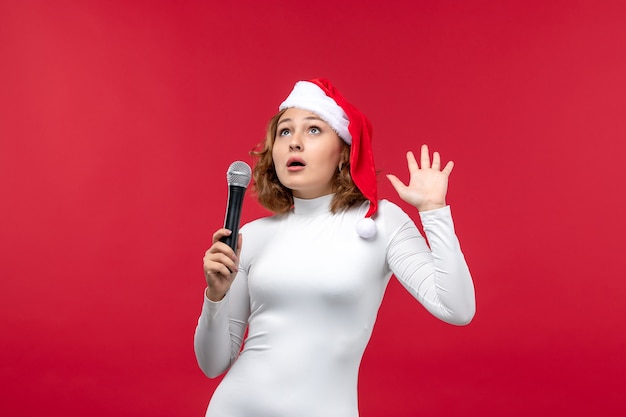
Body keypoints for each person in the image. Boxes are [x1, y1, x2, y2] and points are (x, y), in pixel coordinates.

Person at [194, 78, 476, 417]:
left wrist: (434, 211)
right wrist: (215, 296)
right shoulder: (250, 237)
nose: (294, 143)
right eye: (284, 132)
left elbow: (457, 308)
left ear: (344, 152)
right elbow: (213, 365)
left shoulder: (381, 221)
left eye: (313, 130)